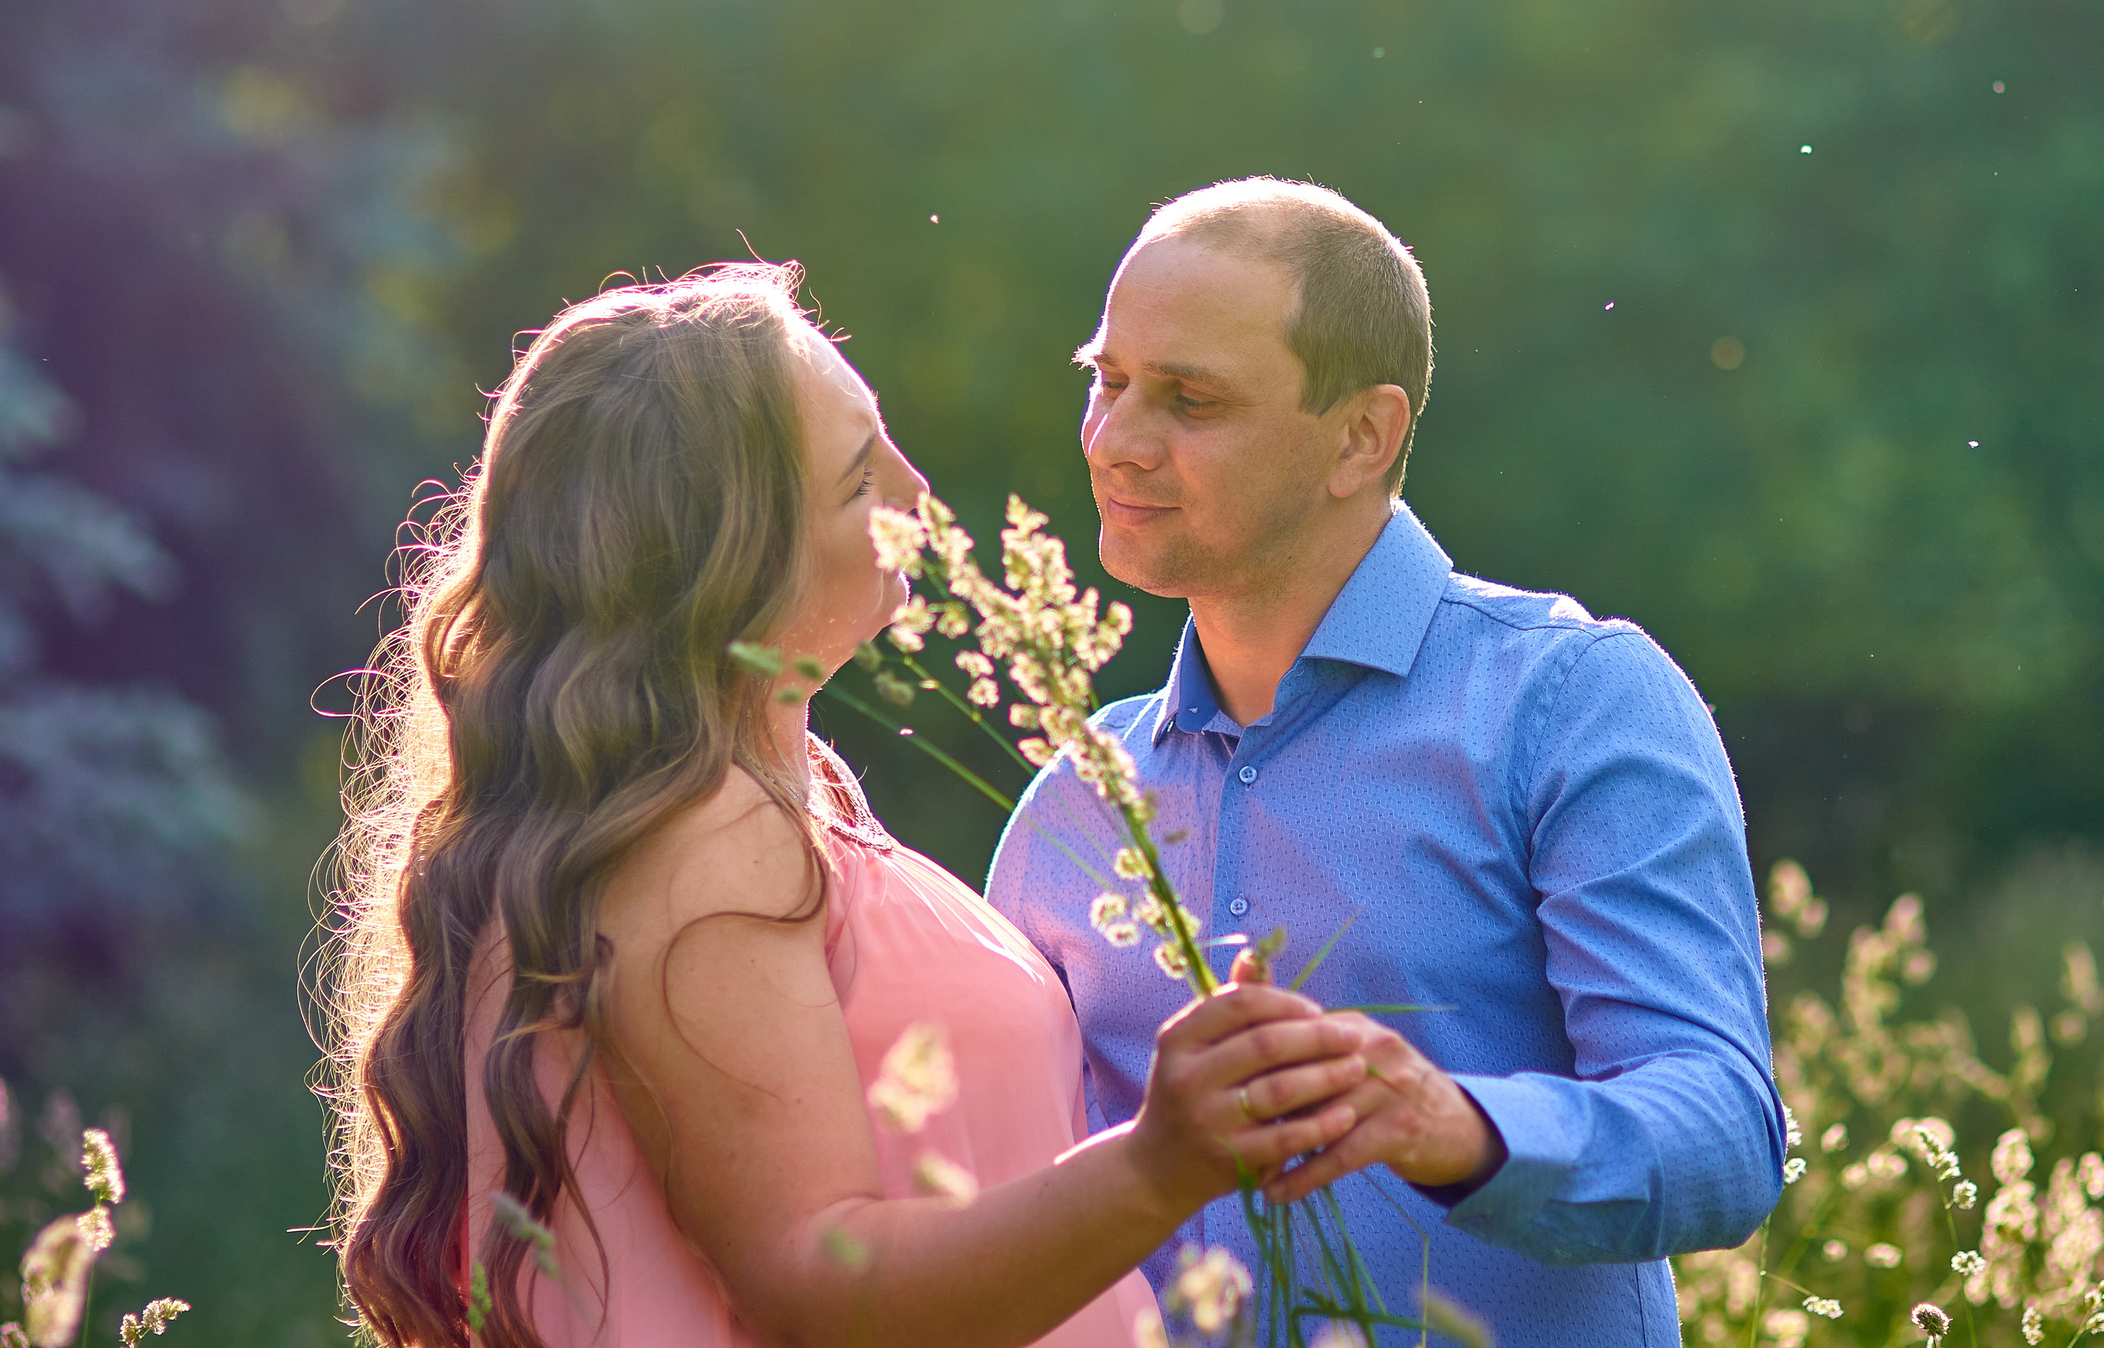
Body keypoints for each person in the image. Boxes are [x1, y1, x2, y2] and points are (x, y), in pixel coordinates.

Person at [320, 262, 1377, 1348]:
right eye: (858, 479)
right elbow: (815, 1283)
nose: (918, 494)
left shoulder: (783, 802)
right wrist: (1161, 1162)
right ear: (730, 563)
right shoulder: (701, 839)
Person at [988, 180, 1787, 1346]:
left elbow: (1722, 1136)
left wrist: (1455, 1126)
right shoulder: (1076, 792)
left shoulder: (1570, 701)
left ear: (1363, 435)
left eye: (1189, 400)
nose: (1116, 441)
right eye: (1105, 381)